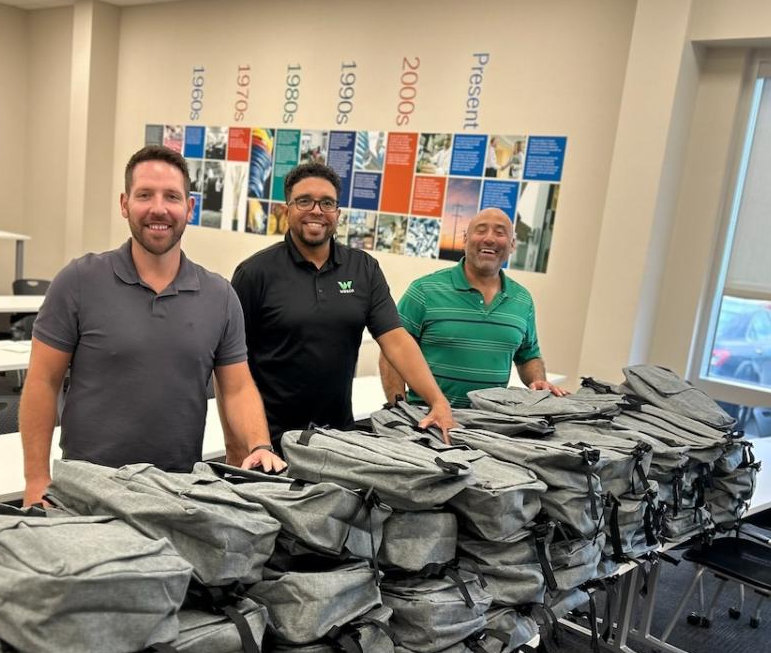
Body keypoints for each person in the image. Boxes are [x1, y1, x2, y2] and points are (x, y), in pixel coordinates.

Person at [21, 145, 284, 507]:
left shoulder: (219, 295)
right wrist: (37, 480)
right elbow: (42, 382)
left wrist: (260, 445)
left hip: (176, 492)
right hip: (88, 489)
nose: (158, 208)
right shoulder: (79, 281)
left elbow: (237, 388)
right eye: (145, 195)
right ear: (125, 203)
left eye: (171, 197)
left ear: (189, 208)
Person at [231, 162, 457, 446]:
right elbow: (231, 365)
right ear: (287, 209)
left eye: (327, 203)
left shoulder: (363, 268)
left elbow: (396, 340)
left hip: (339, 438)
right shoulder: (255, 273)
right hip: (270, 440)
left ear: (337, 213)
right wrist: (240, 442)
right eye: (304, 201)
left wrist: (437, 400)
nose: (316, 210)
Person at [380, 207, 567, 408]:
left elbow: (528, 355)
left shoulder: (523, 300)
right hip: (428, 421)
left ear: (512, 244)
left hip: (489, 424)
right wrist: (399, 408)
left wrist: (537, 380)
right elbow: (392, 351)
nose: (489, 238)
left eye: (500, 232)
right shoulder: (424, 291)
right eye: (481, 230)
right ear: (465, 239)